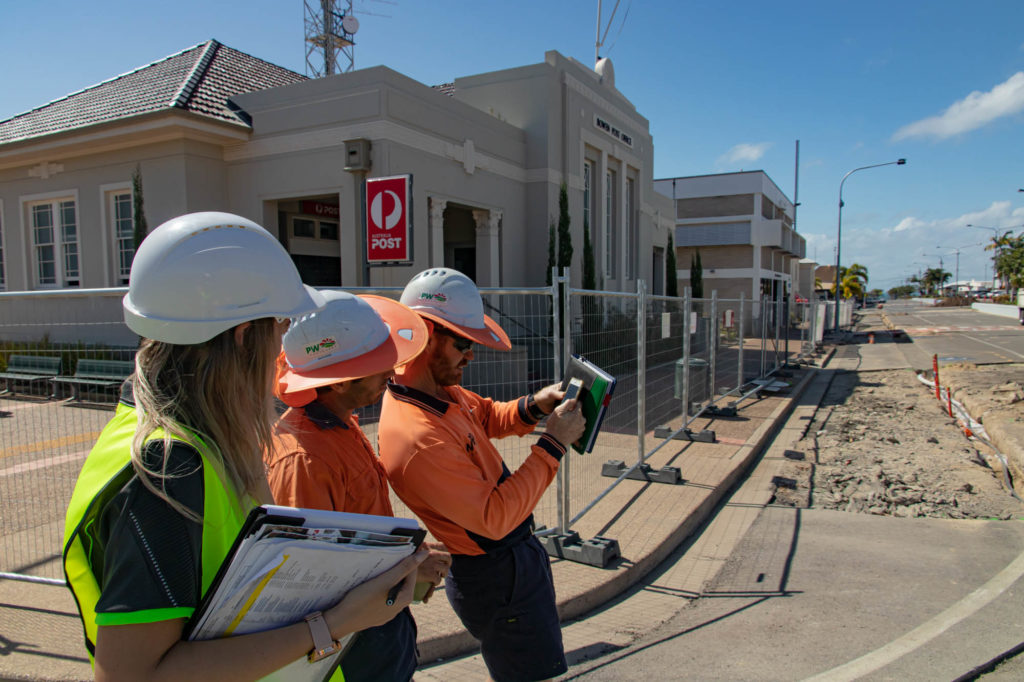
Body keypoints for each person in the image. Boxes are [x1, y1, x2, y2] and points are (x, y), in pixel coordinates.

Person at [62, 212, 426, 681]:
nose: (281, 346)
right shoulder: (168, 467)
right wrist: (337, 623)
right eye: (276, 326)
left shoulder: (178, 438)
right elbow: (134, 674)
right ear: (241, 337)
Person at [377, 268, 585, 682]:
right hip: (495, 573)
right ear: (426, 333)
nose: (471, 354)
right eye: (463, 343)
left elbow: (486, 414)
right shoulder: (418, 435)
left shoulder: (438, 391)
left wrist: (536, 405)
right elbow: (494, 519)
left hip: (508, 564)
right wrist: (553, 444)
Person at [268, 289, 452, 681]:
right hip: (354, 650)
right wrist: (411, 569)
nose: (391, 371)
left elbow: (353, 536)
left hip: (377, 626)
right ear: (338, 382)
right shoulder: (304, 461)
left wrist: (411, 555)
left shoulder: (337, 423)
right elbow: (315, 582)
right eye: (379, 363)